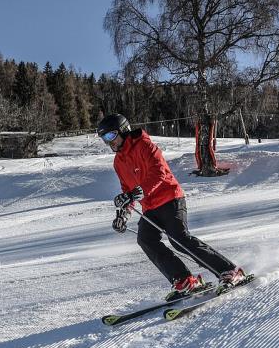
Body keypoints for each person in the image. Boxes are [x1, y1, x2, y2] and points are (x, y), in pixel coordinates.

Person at [98, 113, 245, 300]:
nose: (108, 142)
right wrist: (123, 215)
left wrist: (139, 191)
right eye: (104, 139)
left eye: (110, 136)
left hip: (170, 198)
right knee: (146, 240)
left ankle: (230, 271)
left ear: (123, 131)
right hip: (150, 207)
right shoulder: (118, 162)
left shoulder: (144, 145)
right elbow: (127, 191)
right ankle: (184, 280)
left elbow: (159, 172)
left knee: (179, 239)